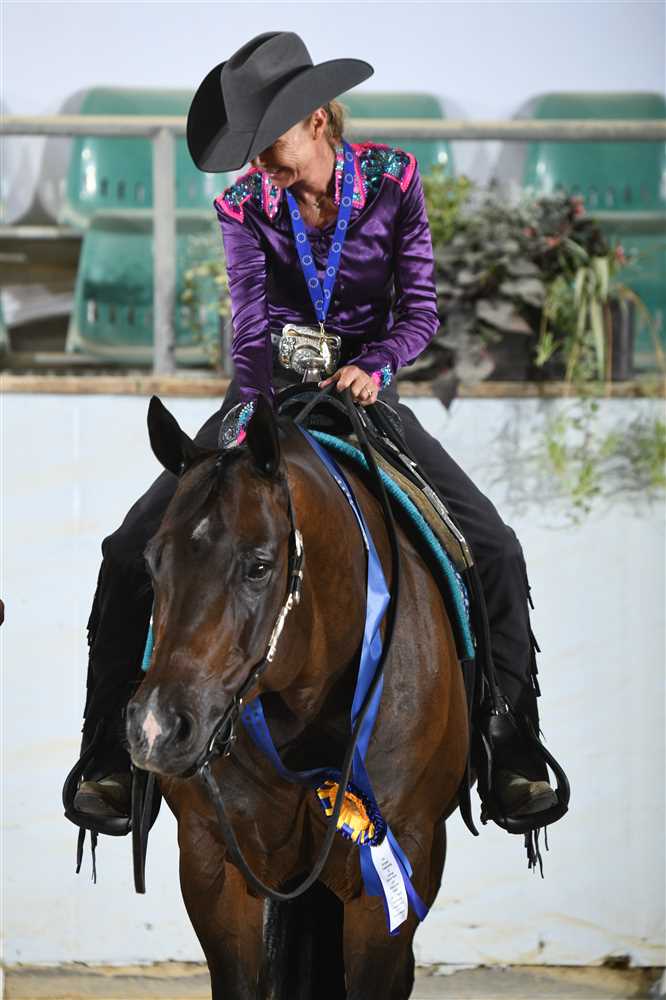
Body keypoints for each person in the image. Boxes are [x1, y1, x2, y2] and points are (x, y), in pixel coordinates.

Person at [72, 31, 565, 831]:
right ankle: (110, 760)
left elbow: (421, 310)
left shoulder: (394, 180)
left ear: (318, 122)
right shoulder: (243, 206)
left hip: (363, 396)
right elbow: (251, 327)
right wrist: (255, 418)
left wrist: (378, 365)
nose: (258, 158)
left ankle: (508, 749)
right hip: (264, 396)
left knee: (496, 549)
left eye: (269, 139)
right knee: (130, 551)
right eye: (250, 145)